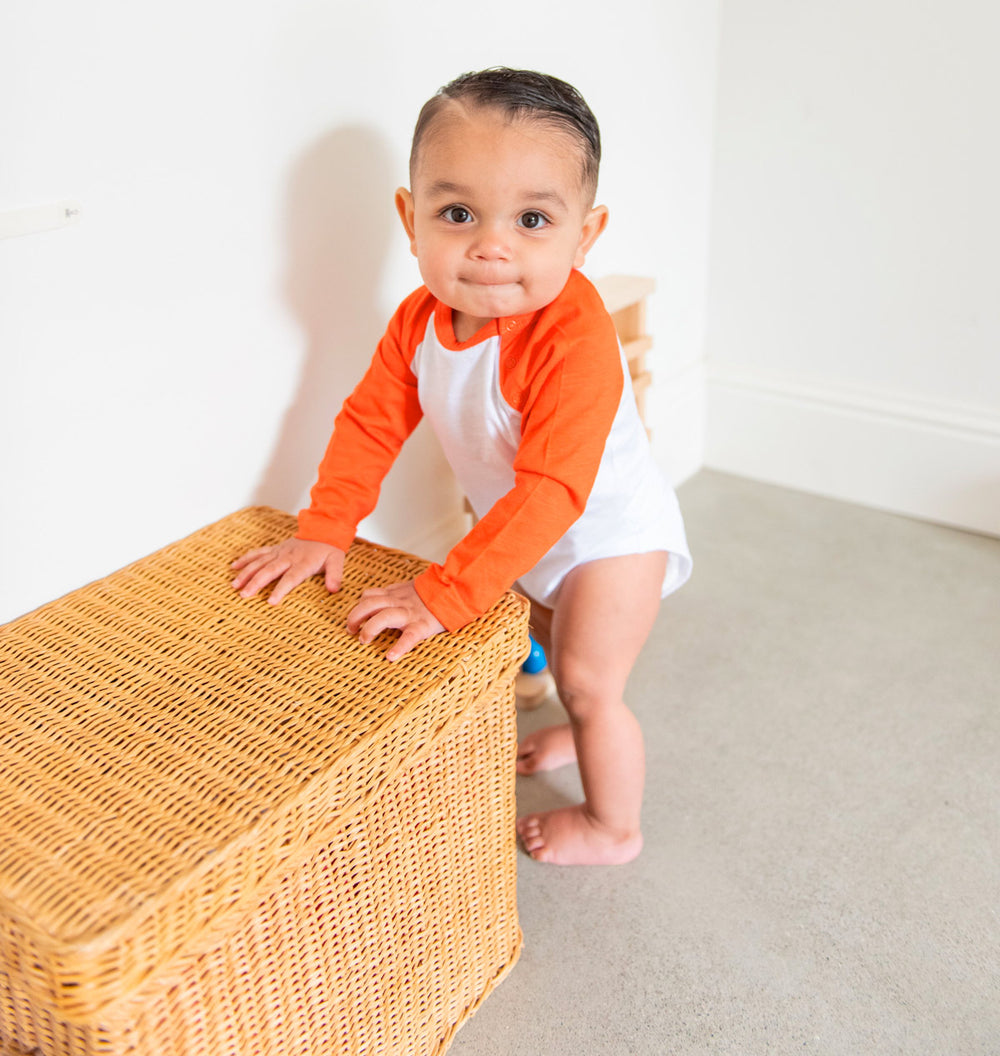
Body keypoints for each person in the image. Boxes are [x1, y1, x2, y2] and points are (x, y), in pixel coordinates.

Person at [232, 68, 692, 866]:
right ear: (411, 221)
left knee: (590, 680)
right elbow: (371, 421)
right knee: (539, 629)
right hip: (526, 528)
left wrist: (443, 592)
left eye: (533, 219)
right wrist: (325, 529)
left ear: (585, 236)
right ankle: (570, 731)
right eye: (457, 213)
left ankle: (615, 826)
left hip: (611, 536)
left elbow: (554, 488)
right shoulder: (417, 321)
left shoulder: (571, 337)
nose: (491, 245)